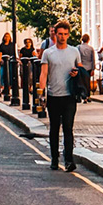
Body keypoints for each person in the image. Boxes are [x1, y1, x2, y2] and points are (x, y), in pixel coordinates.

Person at [39, 21, 81, 172]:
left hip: (69, 96)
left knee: (68, 128)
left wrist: (77, 73)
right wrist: (40, 93)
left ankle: (69, 160)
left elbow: (80, 70)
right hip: (53, 96)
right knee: (54, 129)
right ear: (55, 35)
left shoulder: (74, 51)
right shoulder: (48, 53)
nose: (62, 37)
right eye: (60, 34)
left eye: (65, 34)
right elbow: (43, 74)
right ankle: (54, 159)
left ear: (68, 35)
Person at [77, 34, 98, 103]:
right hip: (89, 67)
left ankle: (83, 96)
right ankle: (88, 95)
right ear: (88, 40)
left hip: (81, 67)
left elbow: (77, 58)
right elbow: (93, 59)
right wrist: (93, 68)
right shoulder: (91, 48)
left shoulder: (79, 47)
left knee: (82, 82)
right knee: (88, 82)